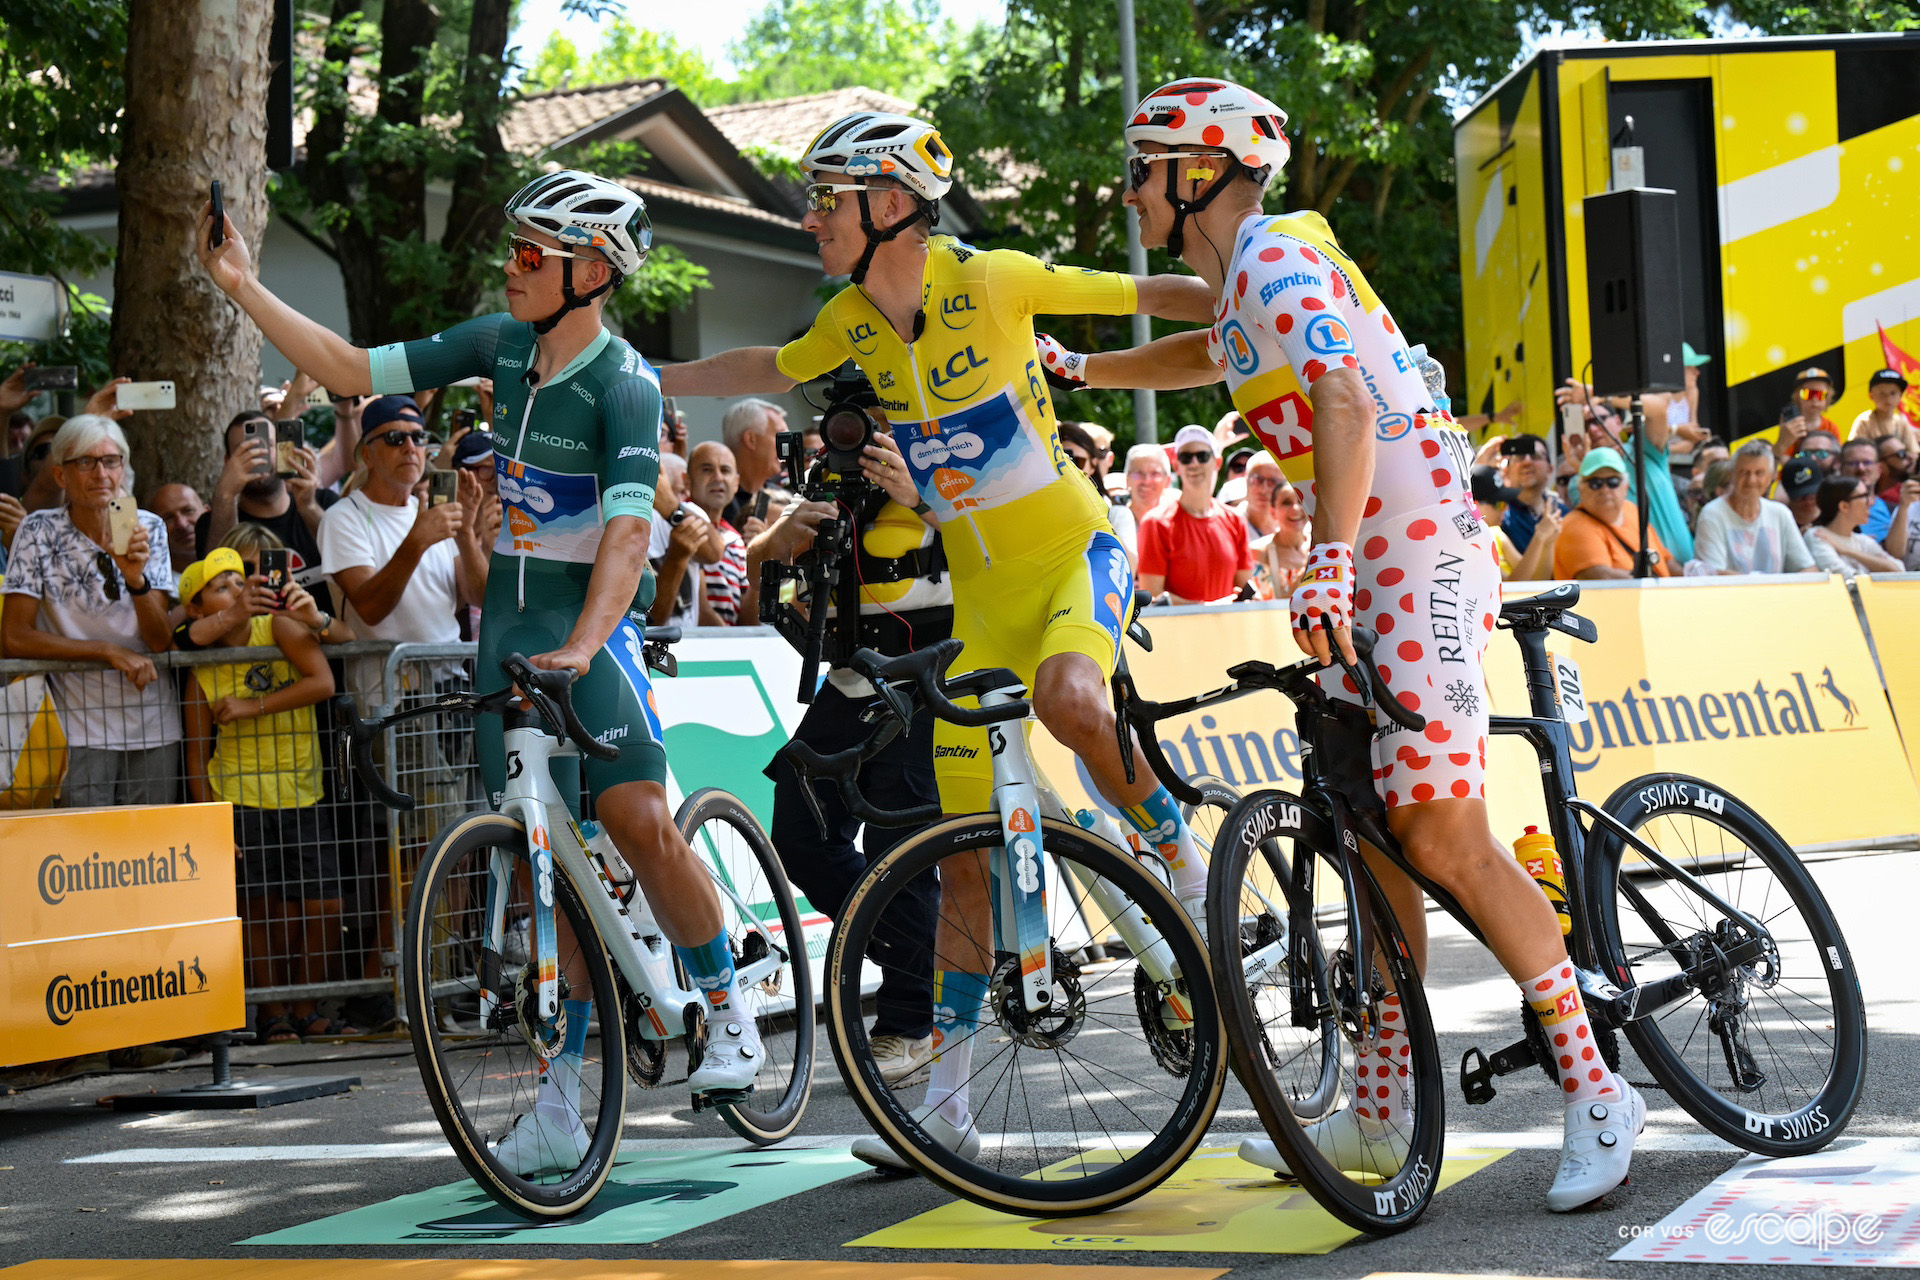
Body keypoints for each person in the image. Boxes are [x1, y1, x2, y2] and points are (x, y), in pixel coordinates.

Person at [1054, 75, 1644, 1209]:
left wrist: (1324, 560)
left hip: (1411, 553)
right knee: (1371, 842)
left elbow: (1345, 404)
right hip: (1360, 564)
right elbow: (1206, 351)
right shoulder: (1239, 290)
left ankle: (1597, 1086)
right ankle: (1384, 1100)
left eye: (1142, 169)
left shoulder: (1273, 262)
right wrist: (1082, 370)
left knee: (1442, 831)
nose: (1128, 191)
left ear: (1199, 172)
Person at [658, 108, 1220, 1171]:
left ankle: (1184, 863)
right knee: (965, 867)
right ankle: (951, 1104)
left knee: (1072, 698)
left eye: (831, 196)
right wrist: (642, 375)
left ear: (892, 204)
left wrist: (1257, 301)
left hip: (1072, 551)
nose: (814, 216)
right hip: (981, 604)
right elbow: (762, 362)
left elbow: (1155, 294)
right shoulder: (845, 322)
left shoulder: (996, 277)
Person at [198, 169, 775, 1172]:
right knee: (545, 873)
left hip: (584, 630)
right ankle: (560, 1094)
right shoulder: (498, 347)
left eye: (529, 254)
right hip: (504, 635)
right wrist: (242, 284)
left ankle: (726, 1004)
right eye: (511, 249)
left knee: (635, 818)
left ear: (591, 270)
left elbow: (632, 532)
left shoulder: (624, 383)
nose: (510, 268)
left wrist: (589, 646)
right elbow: (345, 361)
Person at [755, 375, 949, 1085]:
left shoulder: (946, 467)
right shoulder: (829, 484)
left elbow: (1004, 547)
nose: (867, 438)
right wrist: (783, 534)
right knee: (800, 833)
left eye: (883, 421)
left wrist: (921, 495)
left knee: (899, 842)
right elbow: (768, 584)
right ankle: (907, 953)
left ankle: (907, 1023)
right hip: (852, 678)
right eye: (855, 424)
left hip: (932, 669)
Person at [177, 548, 346, 1042]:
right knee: (260, 911)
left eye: (239, 578)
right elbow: (194, 754)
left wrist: (255, 706)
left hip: (300, 790)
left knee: (322, 907)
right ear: (198, 609)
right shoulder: (199, 667)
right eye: (220, 585)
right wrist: (213, 822)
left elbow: (324, 682)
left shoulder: (278, 627)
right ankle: (273, 1013)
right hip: (240, 798)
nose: (236, 588)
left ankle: (306, 1003)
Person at [2, 415, 180, 806]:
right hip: (77, 729)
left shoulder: (146, 527)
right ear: (61, 476)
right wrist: (107, 651)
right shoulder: (37, 532)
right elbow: (13, 637)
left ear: (123, 469)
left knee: (150, 852)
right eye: (86, 462)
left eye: (111, 461)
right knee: (85, 856)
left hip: (153, 723)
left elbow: (159, 639)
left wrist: (136, 580)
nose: (101, 473)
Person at [199, 409, 339, 614]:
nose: (257, 455)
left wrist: (308, 506)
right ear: (228, 462)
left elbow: (347, 559)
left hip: (329, 634)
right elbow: (213, 584)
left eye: (266, 445)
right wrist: (225, 497)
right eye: (244, 449)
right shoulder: (211, 522)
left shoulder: (324, 502)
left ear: (285, 450)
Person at [1136, 424, 1255, 603]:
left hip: (1229, 628)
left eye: (1202, 456)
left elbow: (1246, 593)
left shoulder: (1235, 520)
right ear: (1177, 465)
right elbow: (1153, 600)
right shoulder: (1155, 523)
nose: (1194, 463)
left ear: (1217, 463)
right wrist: (1211, 608)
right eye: (1185, 457)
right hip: (1177, 630)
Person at [1690, 441, 1817, 575]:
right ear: (1732, 474)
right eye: (1744, 472)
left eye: (1759, 473)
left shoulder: (1780, 513)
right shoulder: (1712, 514)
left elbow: (1809, 568)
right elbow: (1715, 574)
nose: (1751, 480)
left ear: (1770, 478)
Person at [1553, 446, 1675, 579]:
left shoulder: (1632, 510)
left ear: (1626, 487)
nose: (1605, 489)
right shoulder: (1574, 526)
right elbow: (1600, 578)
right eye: (1595, 483)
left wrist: (1692, 575)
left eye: (1613, 482)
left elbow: (1666, 561)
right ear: (1580, 488)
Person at [687, 440, 750, 624]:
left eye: (725, 470)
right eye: (707, 469)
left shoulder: (737, 541)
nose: (718, 477)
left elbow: (748, 619)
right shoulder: (678, 525)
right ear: (686, 479)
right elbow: (700, 611)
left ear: (736, 483)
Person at [1058, 420, 1135, 557]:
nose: (1070, 470)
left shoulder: (1117, 514)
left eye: (1076, 461)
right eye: (1061, 462)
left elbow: (1130, 566)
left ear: (1093, 464)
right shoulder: (1042, 508)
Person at [1805, 475, 1904, 576]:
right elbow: (1846, 578)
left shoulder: (1863, 541)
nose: (1870, 502)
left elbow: (1899, 570)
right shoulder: (1818, 536)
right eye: (1864, 497)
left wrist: (1848, 551)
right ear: (1844, 506)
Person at [719, 398, 791, 534]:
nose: (786, 446)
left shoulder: (784, 497)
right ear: (751, 439)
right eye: (780, 436)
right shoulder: (715, 498)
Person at [1474, 465, 1559, 581]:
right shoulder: (1472, 544)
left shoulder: (1497, 534)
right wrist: (1539, 537)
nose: (1506, 509)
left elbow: (1536, 581)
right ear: (1475, 504)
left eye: (1506, 503)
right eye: (1500, 504)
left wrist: (1548, 542)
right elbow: (1511, 586)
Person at [1496, 433, 1568, 554]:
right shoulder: (1497, 515)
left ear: (1550, 470)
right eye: (1519, 456)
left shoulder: (1563, 513)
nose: (1527, 462)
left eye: (1535, 456)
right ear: (1506, 471)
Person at [1849, 368, 1918, 457]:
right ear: (1871, 395)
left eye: (1893, 393)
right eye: (1882, 393)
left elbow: (1914, 453)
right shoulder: (1864, 421)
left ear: (1901, 396)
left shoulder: (1901, 423)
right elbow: (1854, 451)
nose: (1888, 398)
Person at [1777, 366, 1839, 460]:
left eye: (1820, 395)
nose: (1814, 400)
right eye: (1808, 394)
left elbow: (1836, 458)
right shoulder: (1791, 426)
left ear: (1828, 398)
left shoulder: (1831, 427)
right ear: (1797, 396)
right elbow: (1783, 457)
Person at [149, 482, 207, 574]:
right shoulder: (151, 582)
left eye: (188, 511)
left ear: (206, 511)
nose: (182, 524)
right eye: (168, 518)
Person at [1123, 442, 1173, 527]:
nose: (1146, 481)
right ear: (1127, 479)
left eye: (1155, 473)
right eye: (1139, 473)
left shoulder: (1176, 524)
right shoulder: (1114, 523)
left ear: (1167, 480)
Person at [1239, 451, 1284, 540]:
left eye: (1272, 482)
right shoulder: (1230, 525)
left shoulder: (1292, 525)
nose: (1264, 490)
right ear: (1246, 481)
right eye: (1257, 480)